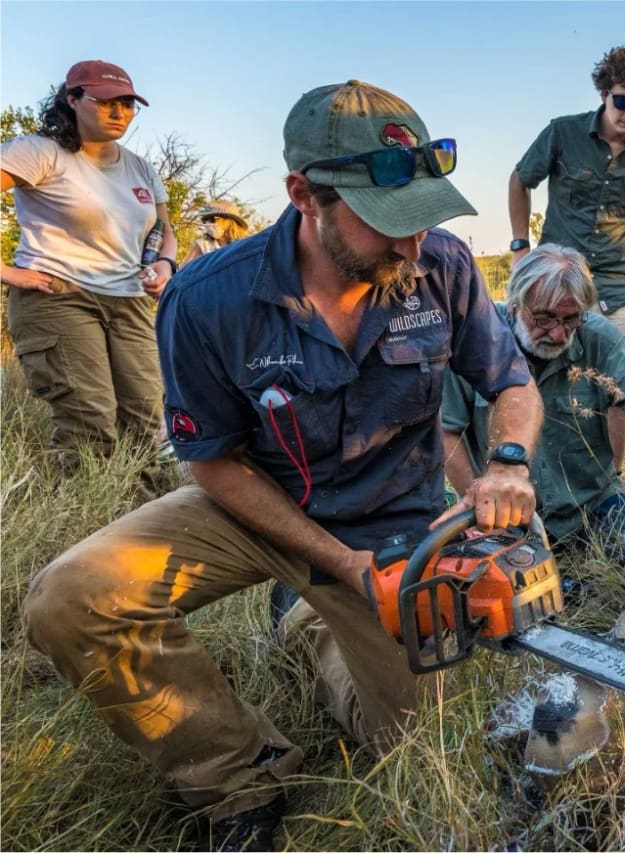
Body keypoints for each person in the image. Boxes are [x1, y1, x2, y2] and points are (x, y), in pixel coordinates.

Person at [22, 80, 542, 851]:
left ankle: (309, 632)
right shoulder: (207, 300)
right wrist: (339, 562)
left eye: (421, 221)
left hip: (397, 523)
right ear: (305, 195)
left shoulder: (444, 266)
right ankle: (237, 771)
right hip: (257, 507)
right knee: (70, 599)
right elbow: (213, 462)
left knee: (421, 746)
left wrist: (506, 463)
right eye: (384, 225)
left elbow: (512, 384)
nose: (409, 247)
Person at [442, 244, 625, 559]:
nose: (557, 334)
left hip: (593, 502)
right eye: (544, 318)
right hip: (507, 512)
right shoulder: (476, 340)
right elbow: (447, 434)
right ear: (515, 302)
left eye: (570, 320)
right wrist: (479, 504)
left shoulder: (598, 338)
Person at [508, 40, 625, 468]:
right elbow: (519, 179)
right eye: (623, 101)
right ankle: (530, 471)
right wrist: (519, 246)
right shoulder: (562, 133)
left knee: (615, 387)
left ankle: (611, 482)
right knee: (533, 377)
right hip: (553, 284)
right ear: (604, 92)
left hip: (616, 284)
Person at [1, 60, 176, 464]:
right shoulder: (40, 152)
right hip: (59, 296)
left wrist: (165, 265)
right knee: (90, 424)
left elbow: (162, 230)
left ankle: (142, 519)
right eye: (106, 102)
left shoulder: (140, 168)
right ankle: (84, 521)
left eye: (128, 104)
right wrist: (7, 273)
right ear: (73, 98)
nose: (120, 113)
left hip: (129, 302)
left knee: (147, 423)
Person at [181, 198, 250, 266]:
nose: (209, 223)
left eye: (213, 219)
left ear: (229, 221)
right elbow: (183, 271)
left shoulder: (242, 245)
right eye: (205, 220)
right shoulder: (203, 245)